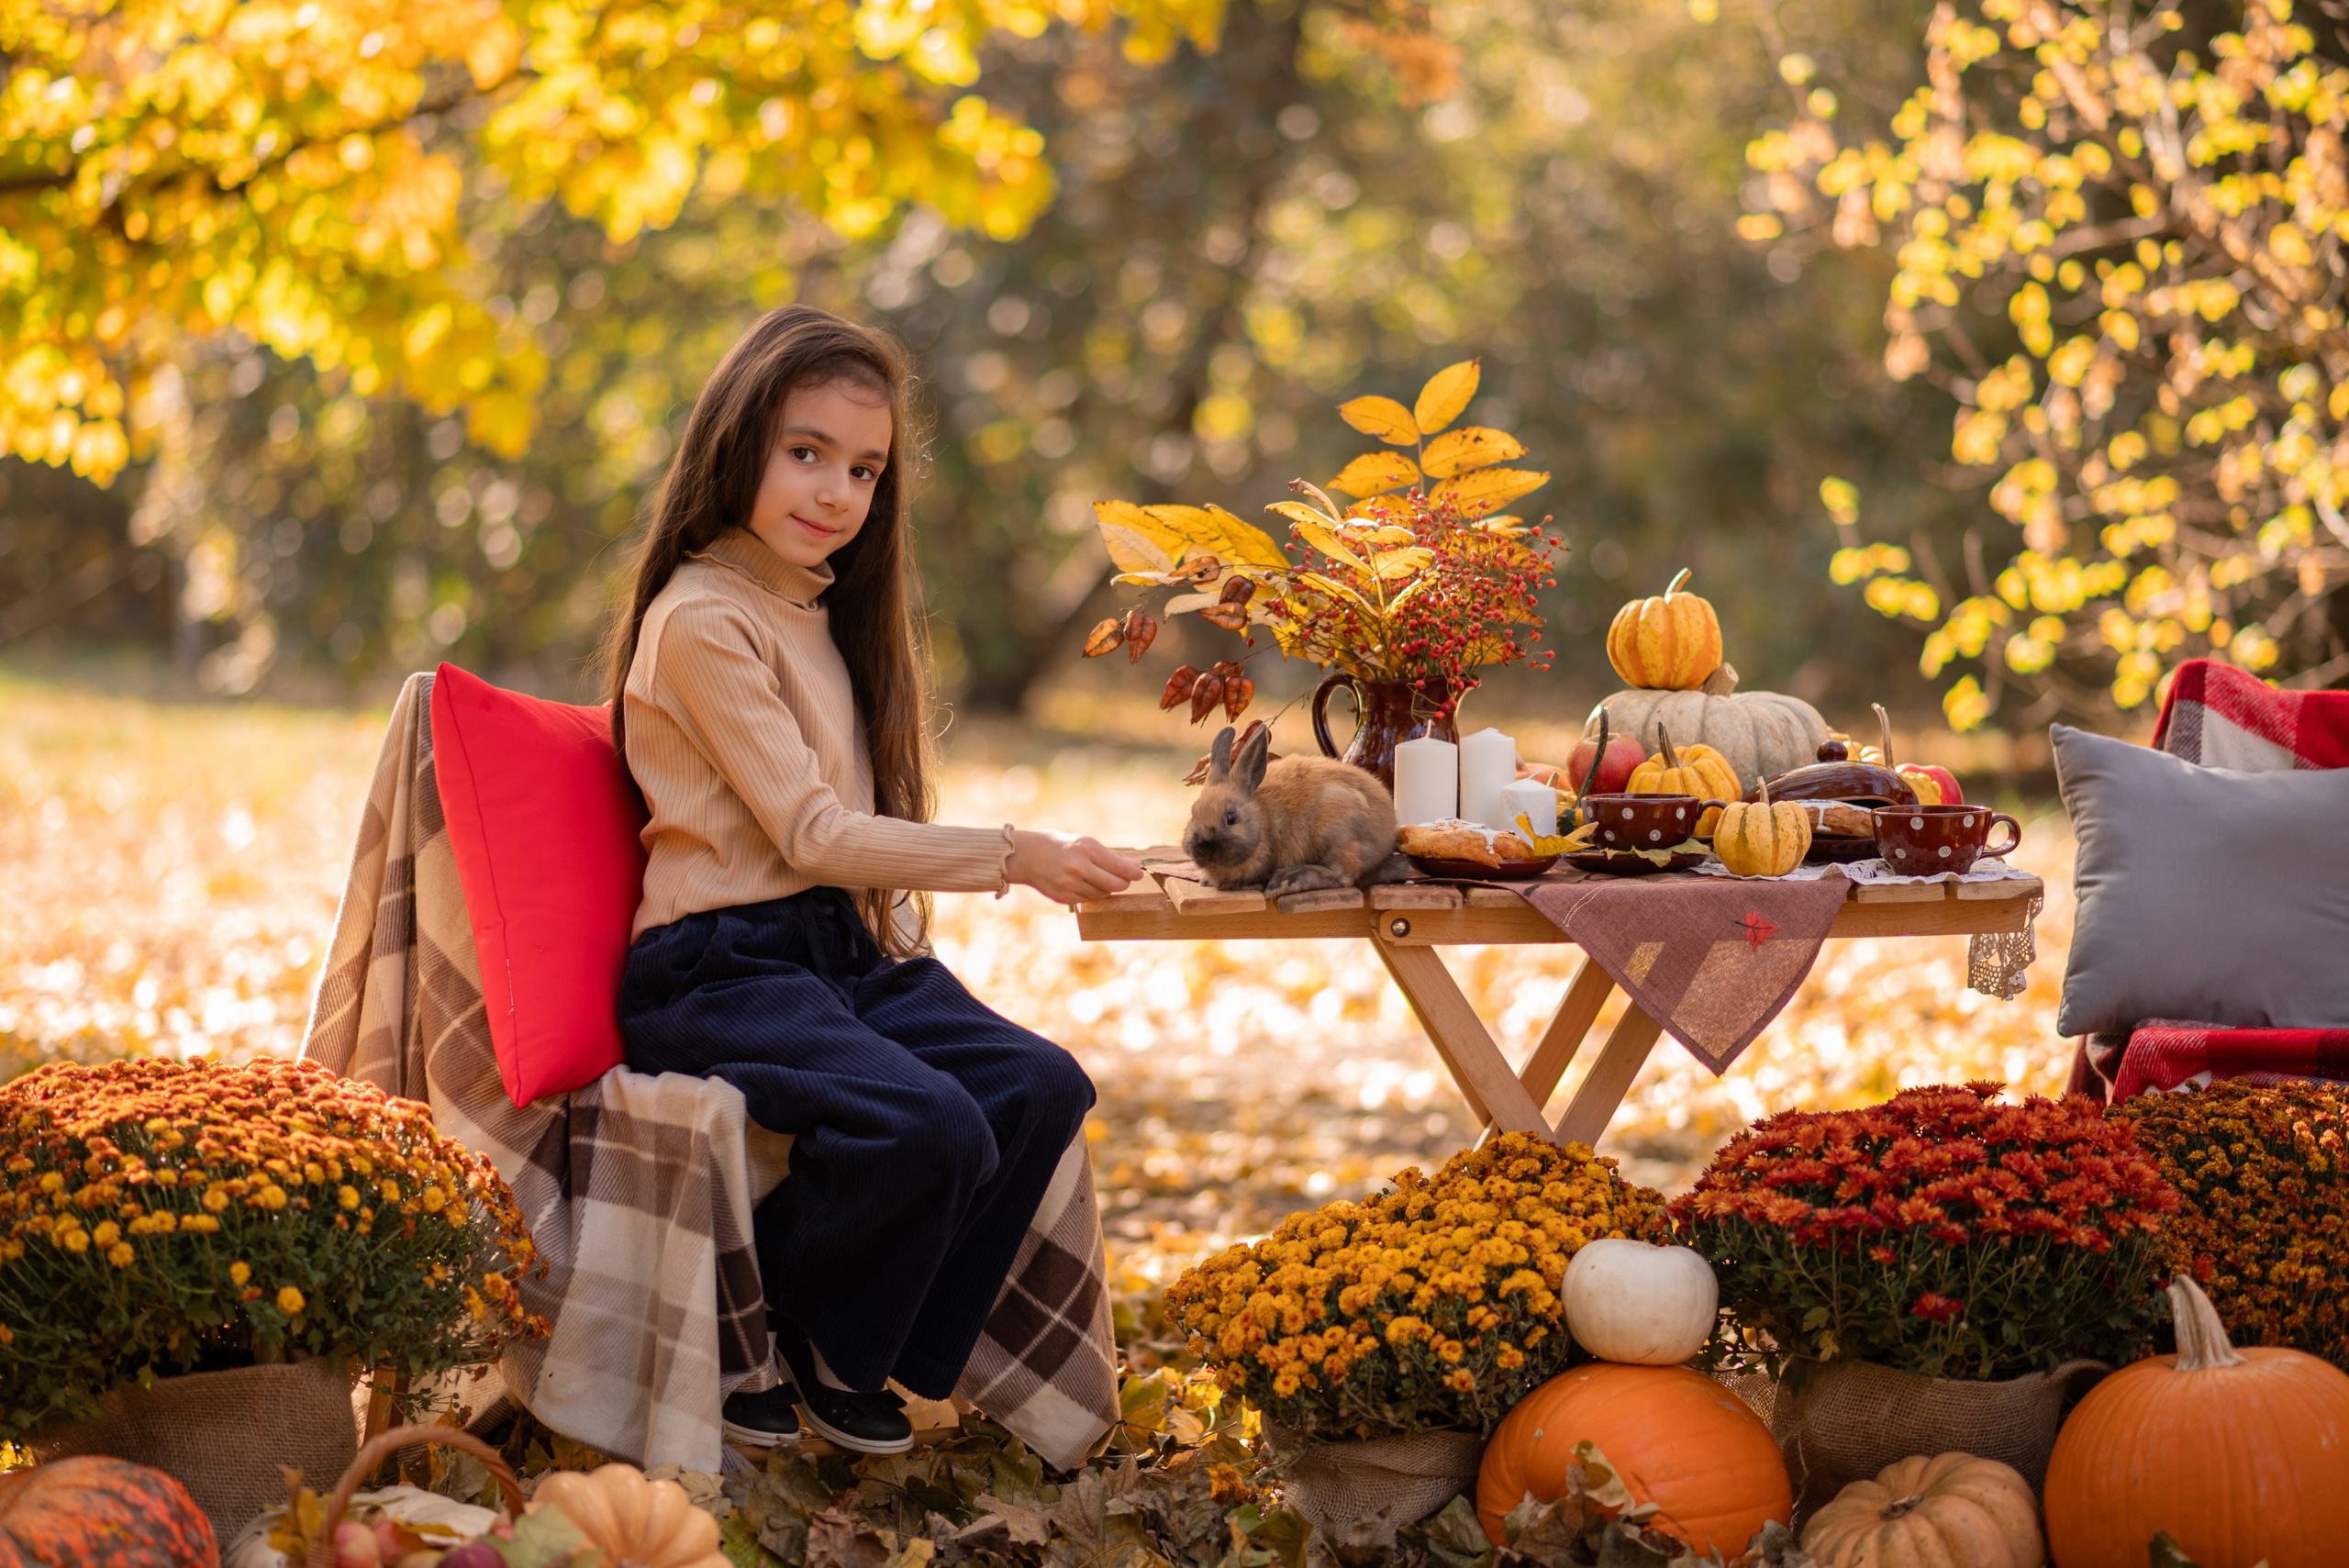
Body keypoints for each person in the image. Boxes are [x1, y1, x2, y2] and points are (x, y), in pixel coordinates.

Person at [605, 305, 1142, 1454]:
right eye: (806, 452)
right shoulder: (702, 617)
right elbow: (809, 830)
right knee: (930, 1124)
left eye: (864, 466)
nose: (836, 490)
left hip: (832, 956)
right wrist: (1014, 854)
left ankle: (859, 1343)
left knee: (1040, 1085)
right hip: (718, 969)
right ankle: (779, 1323)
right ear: (736, 442)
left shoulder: (817, 612)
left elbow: (836, 847)